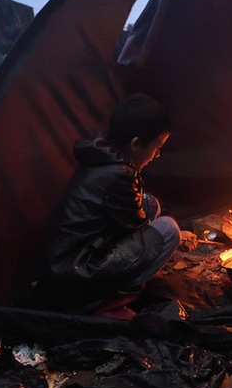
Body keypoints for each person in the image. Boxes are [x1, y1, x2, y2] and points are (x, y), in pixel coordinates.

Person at [36, 93, 198, 318]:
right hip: (77, 278)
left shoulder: (105, 155)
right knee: (169, 230)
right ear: (136, 143)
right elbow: (138, 227)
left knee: (149, 203)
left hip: (72, 261)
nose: (157, 154)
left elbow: (132, 218)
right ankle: (109, 301)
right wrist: (179, 236)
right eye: (157, 146)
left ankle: (109, 292)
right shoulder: (119, 174)